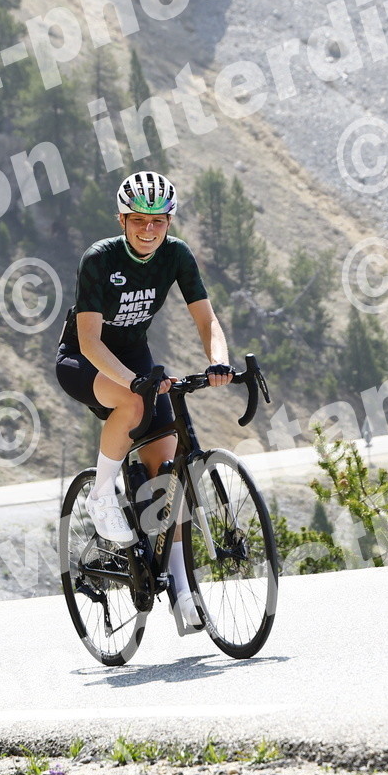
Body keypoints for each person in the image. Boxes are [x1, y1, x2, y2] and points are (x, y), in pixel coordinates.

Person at [55, 170, 233, 631]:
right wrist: (134, 382)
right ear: (122, 219)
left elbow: (207, 320)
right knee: (133, 406)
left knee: (166, 476)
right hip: (85, 360)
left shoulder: (176, 255)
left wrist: (219, 362)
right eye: (138, 220)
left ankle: (181, 591)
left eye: (158, 221)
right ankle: (101, 497)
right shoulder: (99, 258)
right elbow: (90, 341)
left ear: (169, 222)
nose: (148, 229)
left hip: (137, 361)